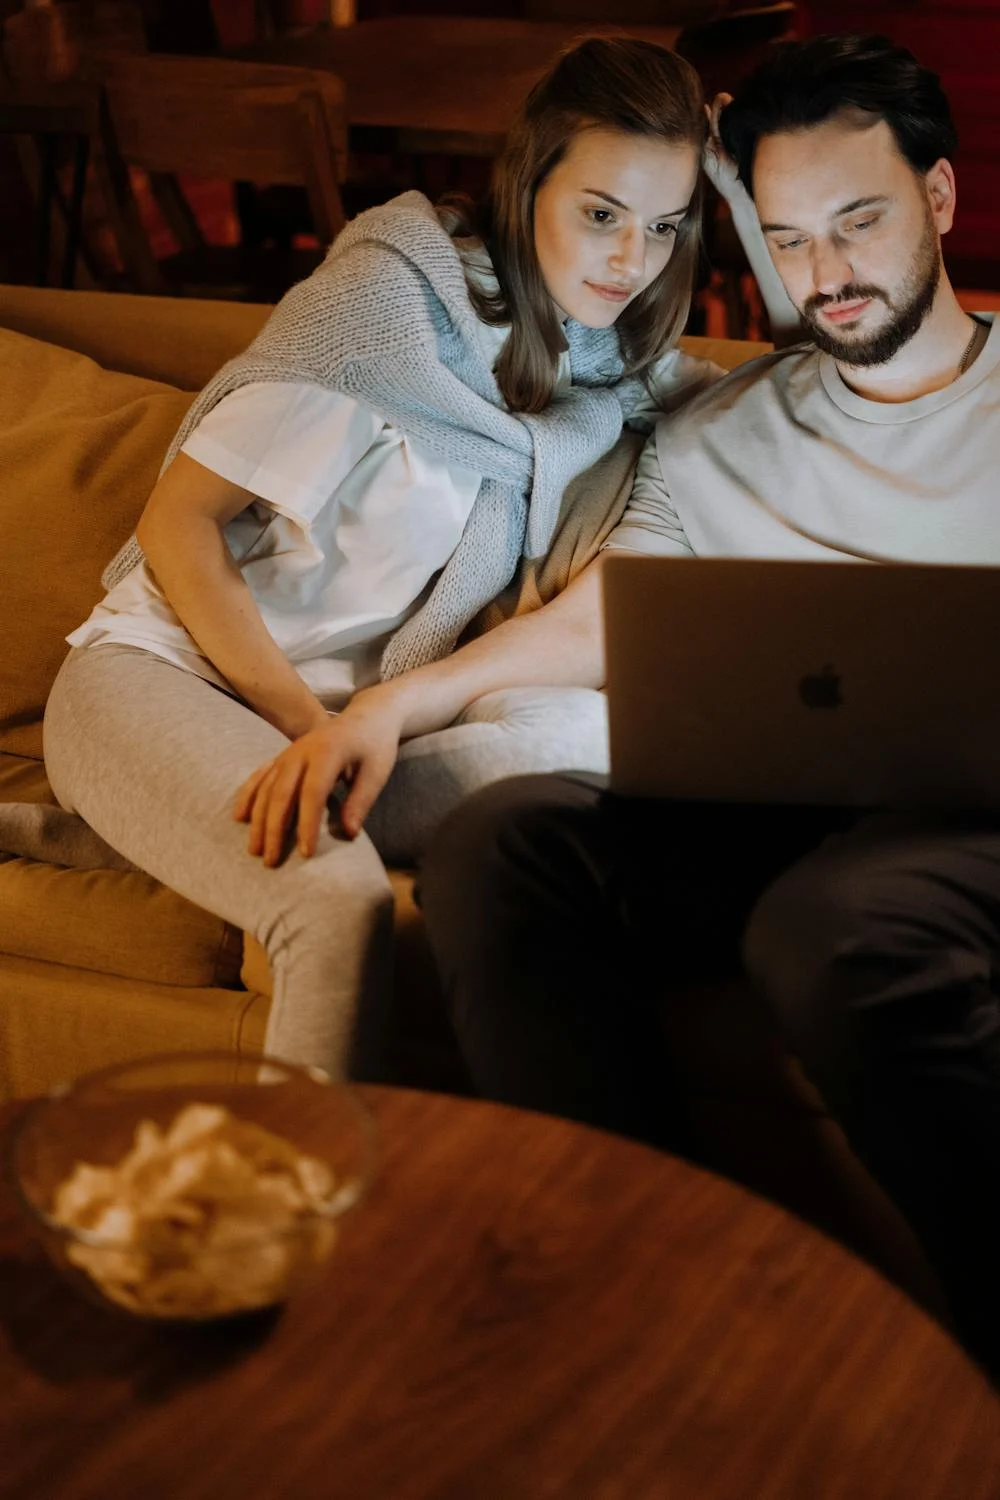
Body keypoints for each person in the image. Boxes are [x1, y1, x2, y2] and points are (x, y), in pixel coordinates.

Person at [16, 36, 793, 1080]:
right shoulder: (379, 310)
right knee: (336, 902)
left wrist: (746, 206)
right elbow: (175, 528)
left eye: (663, 226)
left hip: (344, 727)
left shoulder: (605, 368)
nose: (629, 258)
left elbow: (798, 394)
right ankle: (312, 1220)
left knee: (587, 732)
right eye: (600, 212)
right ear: (526, 189)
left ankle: (147, 826)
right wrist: (307, 730)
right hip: (164, 676)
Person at [410, 33, 1000, 1379]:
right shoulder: (724, 425)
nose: (827, 274)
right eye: (787, 239)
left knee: (831, 927)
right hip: (782, 803)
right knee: (501, 844)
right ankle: (637, 1321)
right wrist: (403, 705)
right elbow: (607, 614)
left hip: (966, 824)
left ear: (943, 201)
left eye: (859, 222)